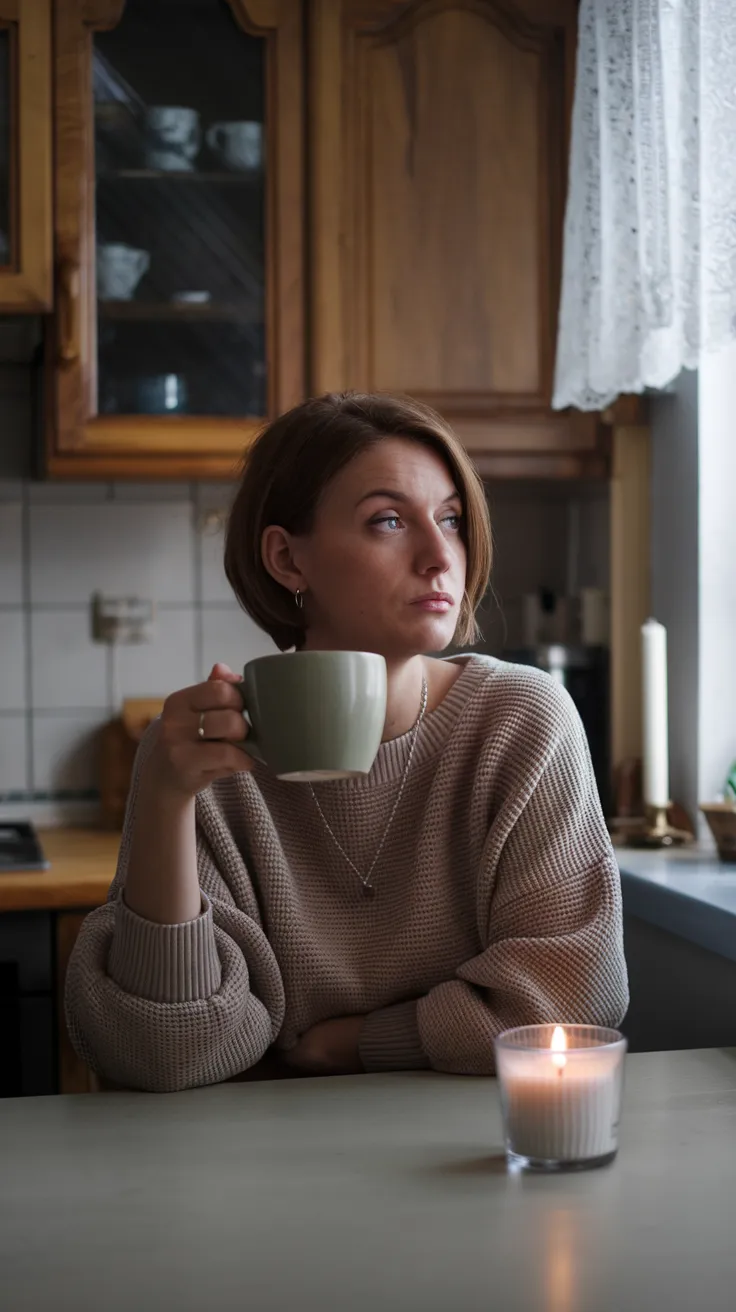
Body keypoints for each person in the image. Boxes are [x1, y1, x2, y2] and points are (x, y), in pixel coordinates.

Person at [65, 392, 628, 1093]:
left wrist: (359, 1044)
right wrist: (164, 799)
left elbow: (570, 1002)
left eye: (450, 518)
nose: (438, 556)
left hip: (464, 1161)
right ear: (286, 559)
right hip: (250, 1175)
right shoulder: (205, 761)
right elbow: (158, 1053)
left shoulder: (521, 721)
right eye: (388, 520)